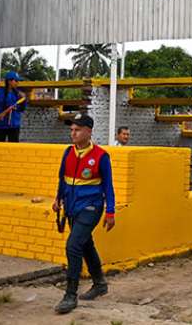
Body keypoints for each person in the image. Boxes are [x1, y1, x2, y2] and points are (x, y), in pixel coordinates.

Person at [53, 114, 116, 314]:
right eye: (72, 129)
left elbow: (108, 186)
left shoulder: (101, 156)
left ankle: (70, 294)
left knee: (73, 246)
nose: (73, 133)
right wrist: (58, 198)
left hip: (91, 206)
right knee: (85, 244)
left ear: (88, 132)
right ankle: (99, 283)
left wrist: (110, 211)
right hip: (71, 206)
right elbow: (62, 178)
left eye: (77, 130)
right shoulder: (68, 153)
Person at [0, 71, 27, 142]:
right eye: (15, 81)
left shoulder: (18, 94)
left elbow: (22, 109)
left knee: (13, 148)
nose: (17, 83)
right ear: (9, 81)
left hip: (14, 126)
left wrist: (24, 101)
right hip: (0, 125)